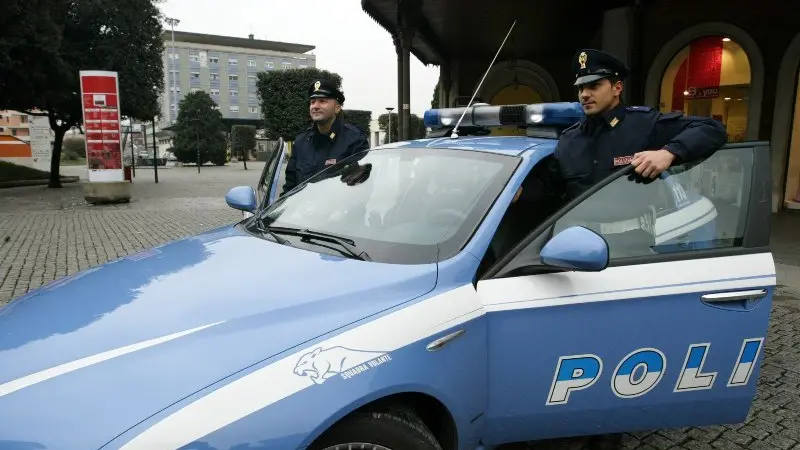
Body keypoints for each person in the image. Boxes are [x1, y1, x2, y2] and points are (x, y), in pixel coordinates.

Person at [552, 48, 729, 202]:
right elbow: (550, 191)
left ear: (617, 88)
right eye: (581, 88)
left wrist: (669, 153)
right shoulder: (569, 139)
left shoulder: (645, 124)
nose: (584, 94)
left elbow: (713, 129)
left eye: (593, 86)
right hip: (578, 237)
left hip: (632, 237)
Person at [282, 79, 370, 194]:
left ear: (337, 108)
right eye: (312, 102)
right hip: (304, 210)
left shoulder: (355, 140)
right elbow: (290, 188)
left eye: (322, 101)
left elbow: (361, 189)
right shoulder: (300, 142)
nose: (315, 106)